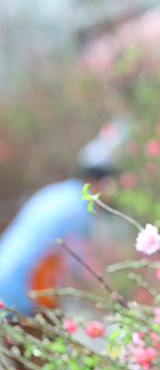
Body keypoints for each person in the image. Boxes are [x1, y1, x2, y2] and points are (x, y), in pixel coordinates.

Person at [0, 120, 129, 315]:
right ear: (101, 183)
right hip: (17, 294)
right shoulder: (79, 209)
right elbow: (78, 271)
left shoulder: (59, 193)